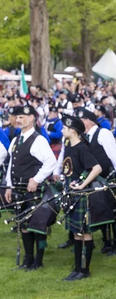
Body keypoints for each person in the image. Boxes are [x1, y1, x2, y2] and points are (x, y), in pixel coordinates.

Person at [5, 105, 56, 271]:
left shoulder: (38, 140)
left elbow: (51, 162)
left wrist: (36, 179)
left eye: (23, 117)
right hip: (18, 189)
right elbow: (11, 164)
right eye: (18, 117)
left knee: (37, 225)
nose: (19, 120)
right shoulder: (15, 139)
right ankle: (28, 260)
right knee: (23, 225)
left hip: (33, 190)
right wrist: (9, 186)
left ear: (32, 118)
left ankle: (38, 262)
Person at [58, 115, 102, 281]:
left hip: (81, 195)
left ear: (72, 130)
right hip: (71, 194)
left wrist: (83, 185)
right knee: (76, 233)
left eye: (64, 127)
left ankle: (84, 270)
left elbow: (96, 168)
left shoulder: (82, 148)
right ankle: (77, 268)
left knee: (84, 232)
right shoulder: (69, 146)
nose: (61, 130)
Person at [74, 107, 116, 256]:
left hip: (109, 177)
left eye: (80, 121)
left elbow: (114, 156)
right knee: (100, 210)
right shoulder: (83, 137)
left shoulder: (103, 133)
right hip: (95, 180)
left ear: (88, 121)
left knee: (114, 212)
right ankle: (106, 242)